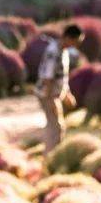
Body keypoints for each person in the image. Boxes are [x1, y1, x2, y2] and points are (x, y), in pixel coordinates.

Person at [36, 24, 84, 152]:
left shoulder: (63, 51)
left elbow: (60, 76)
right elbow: (48, 77)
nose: (76, 45)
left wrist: (66, 93)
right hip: (48, 94)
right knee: (55, 127)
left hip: (54, 94)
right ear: (68, 38)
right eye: (76, 41)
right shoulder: (54, 52)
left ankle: (52, 154)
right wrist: (50, 99)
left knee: (57, 126)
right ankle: (50, 158)